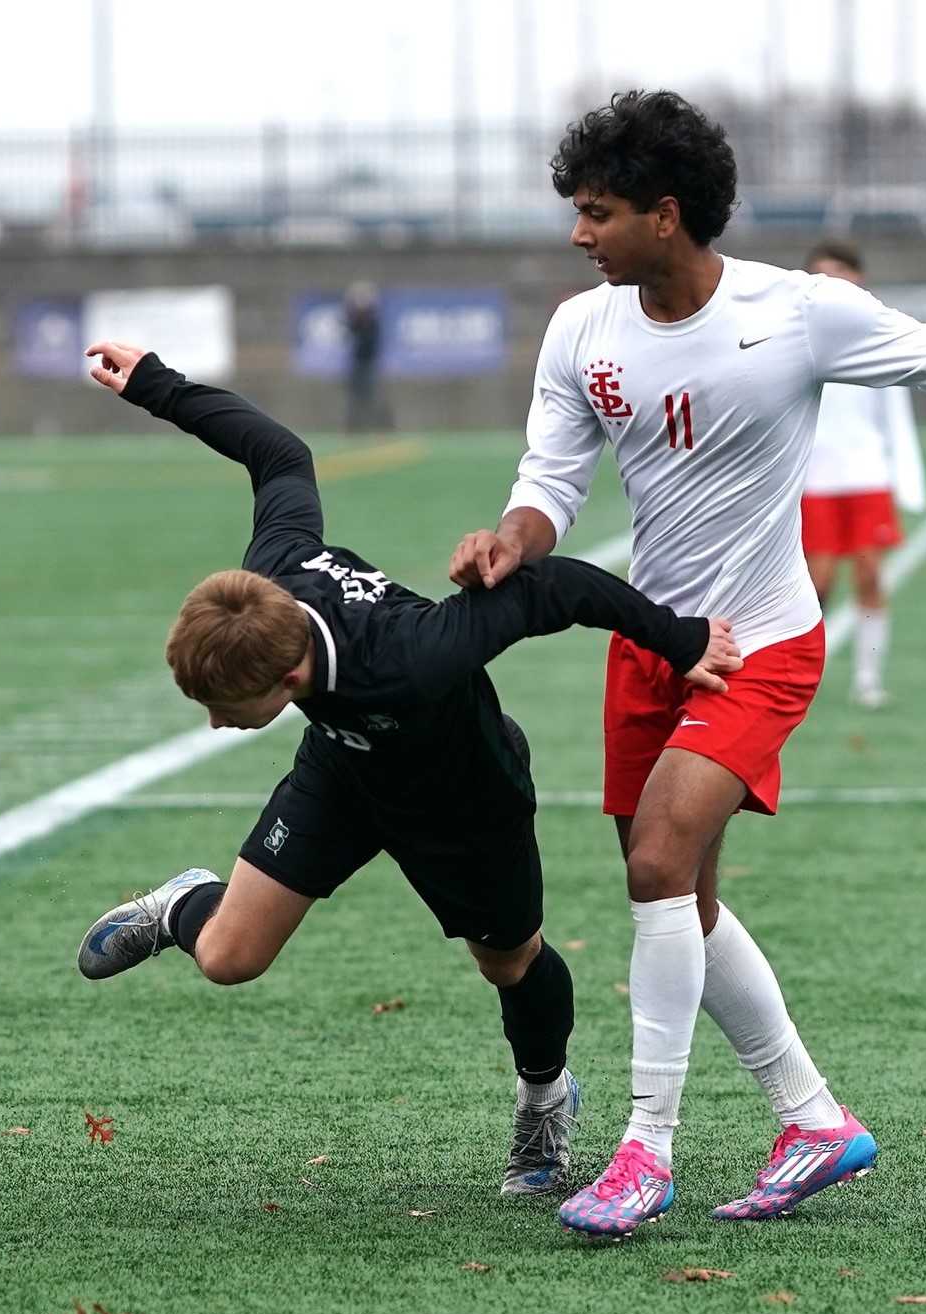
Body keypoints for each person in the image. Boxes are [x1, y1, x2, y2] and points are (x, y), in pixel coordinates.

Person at [449, 90, 926, 1238]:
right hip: (654, 646)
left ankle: (644, 1149)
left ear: (665, 213)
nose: (578, 233)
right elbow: (550, 479)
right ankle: (812, 1119)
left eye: (597, 212)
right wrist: (511, 539)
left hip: (761, 646)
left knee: (654, 861)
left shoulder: (797, 312)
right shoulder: (580, 328)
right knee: (679, 893)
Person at [74, 338, 741, 1198]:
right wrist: (154, 385)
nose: (212, 721)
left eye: (225, 708)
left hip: (464, 798)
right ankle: (180, 907)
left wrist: (681, 639)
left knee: (509, 963)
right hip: (346, 770)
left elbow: (554, 591)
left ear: (289, 676)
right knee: (229, 956)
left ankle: (545, 1098)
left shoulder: (411, 656)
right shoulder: (270, 575)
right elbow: (280, 456)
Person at [800, 239, 926, 709]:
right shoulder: (795, 338)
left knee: (871, 577)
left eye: (839, 272)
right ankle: (799, 674)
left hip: (867, 476)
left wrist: (908, 484)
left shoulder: (878, 335)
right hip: (814, 482)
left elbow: (896, 417)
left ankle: (868, 678)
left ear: (858, 279)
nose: (830, 282)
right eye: (821, 274)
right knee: (816, 584)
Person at [343, 281, 389, 432]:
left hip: (369, 364)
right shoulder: (355, 323)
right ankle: (354, 428)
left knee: (374, 398)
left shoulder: (373, 323)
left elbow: (371, 342)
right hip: (357, 364)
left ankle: (380, 427)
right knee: (354, 399)